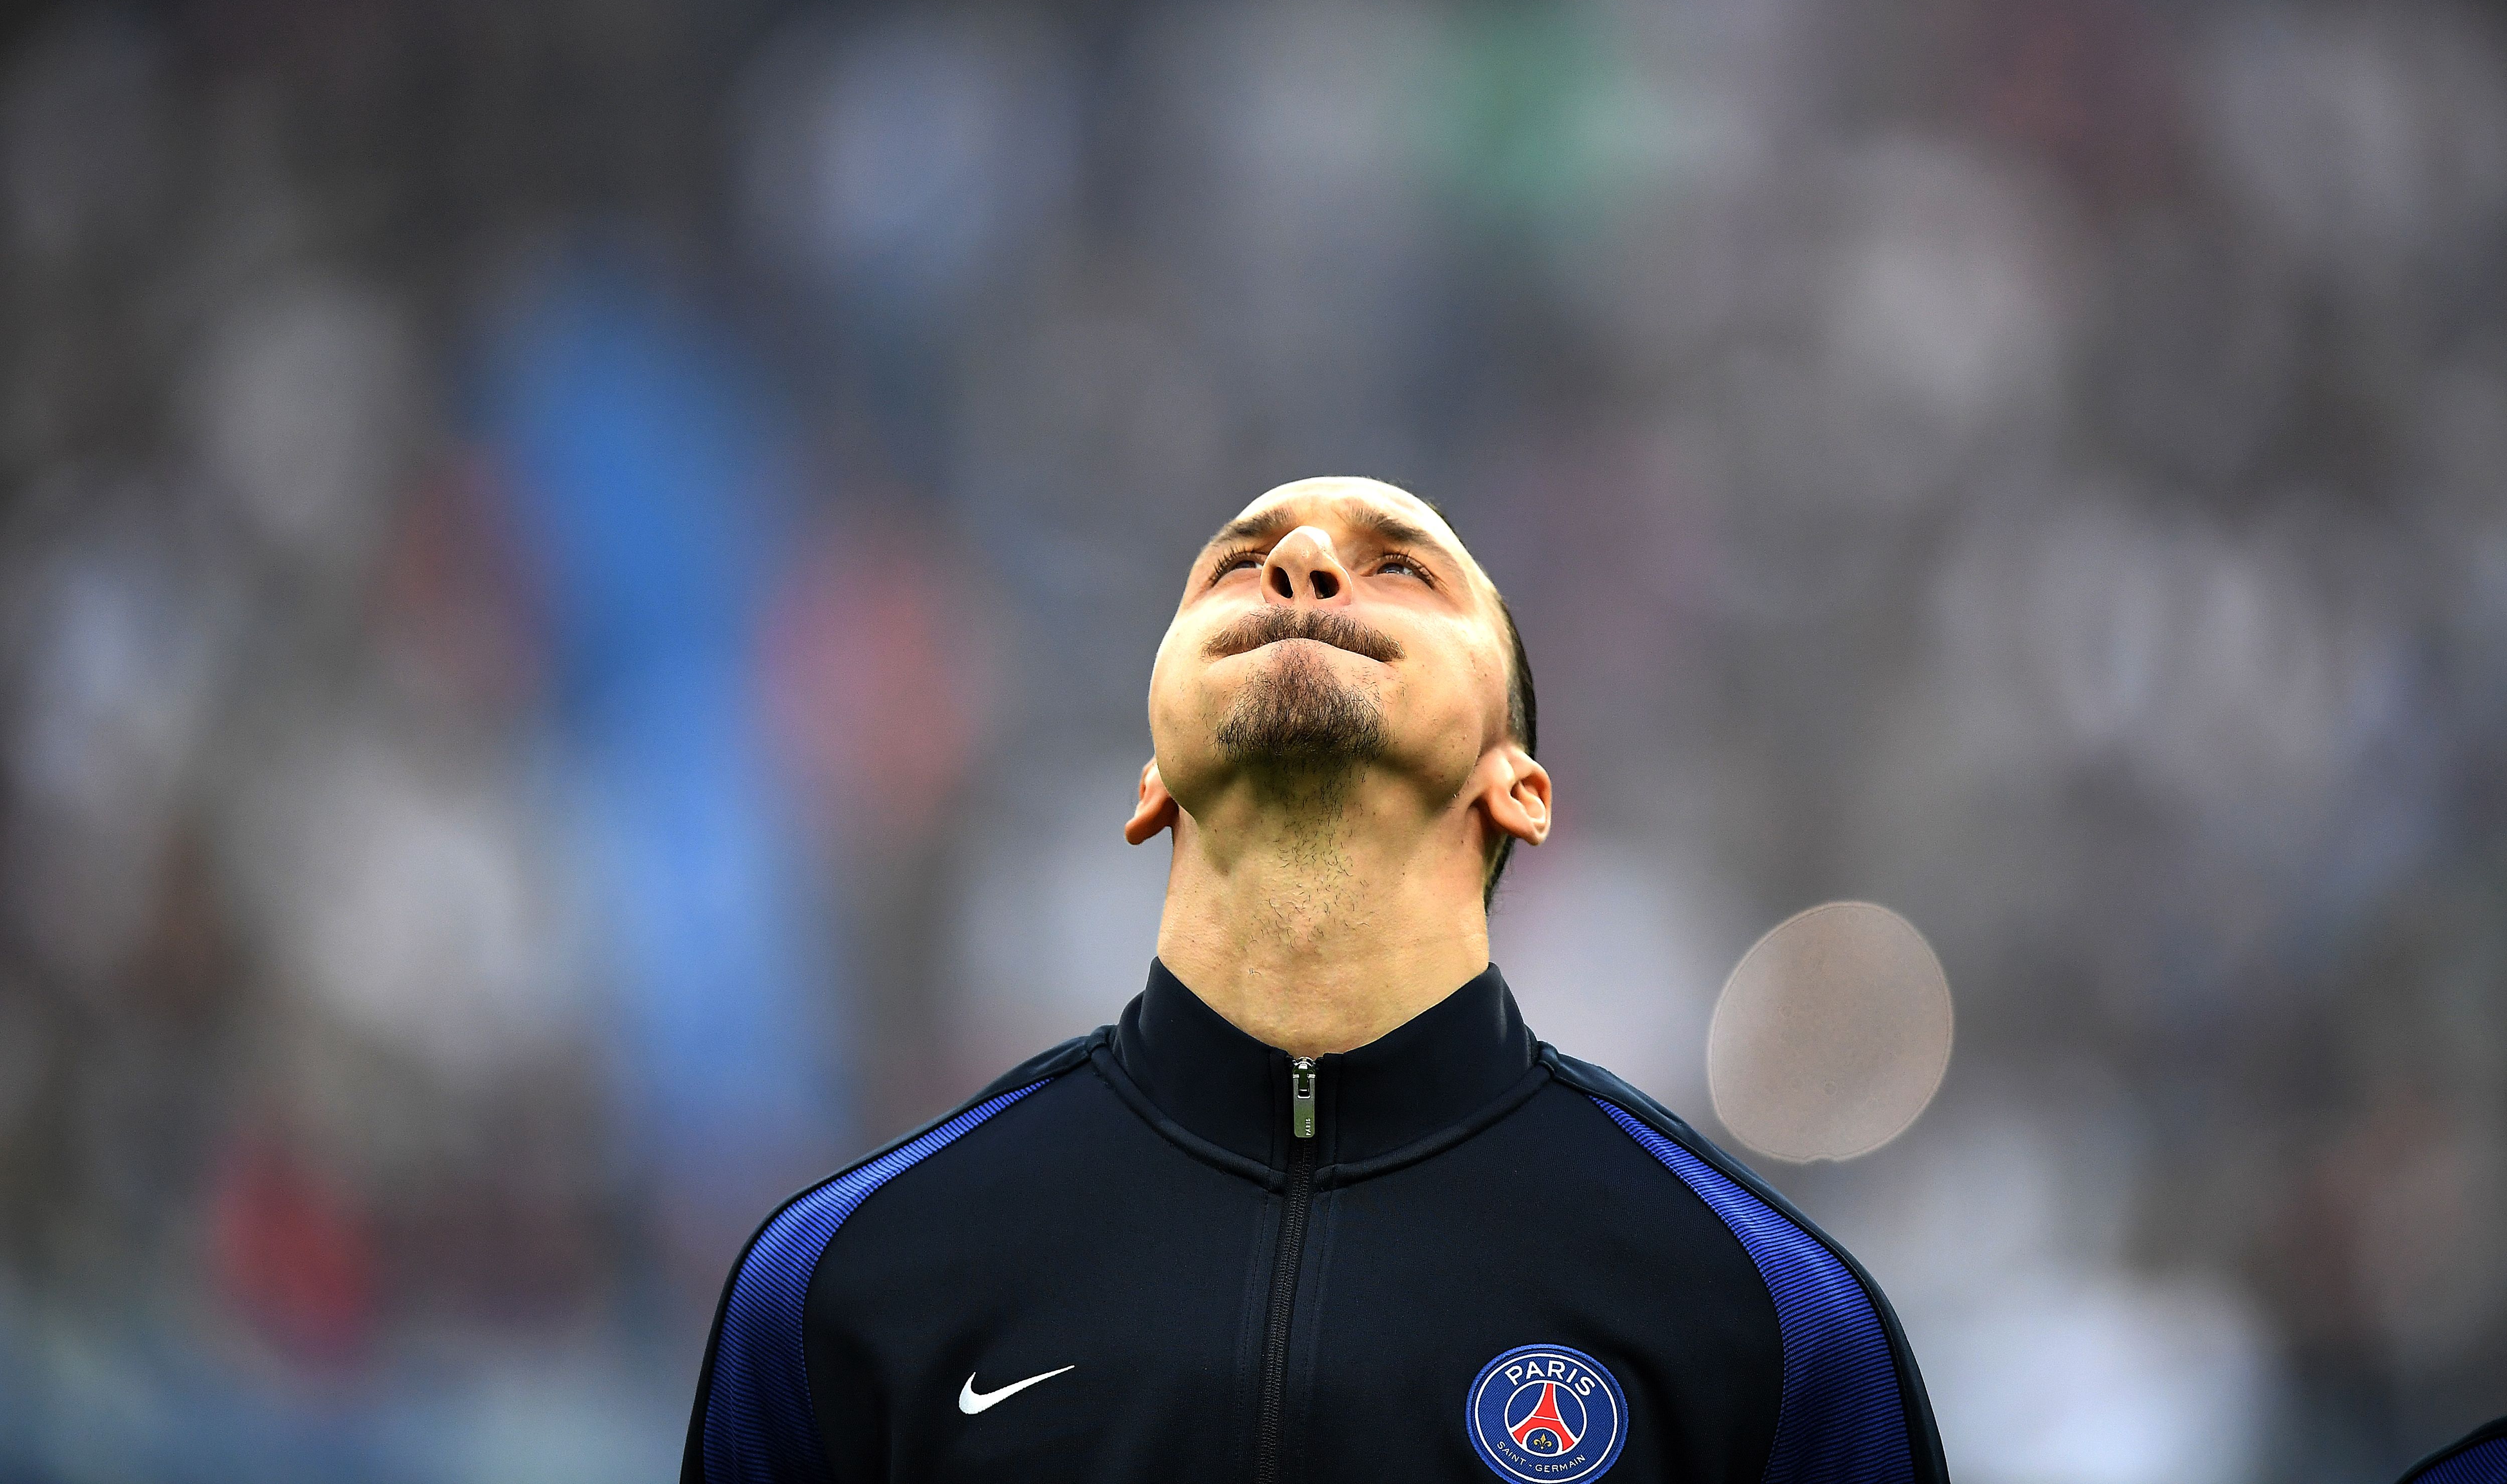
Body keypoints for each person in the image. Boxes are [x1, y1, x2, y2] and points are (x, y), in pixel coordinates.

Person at [681, 476, 1948, 1483]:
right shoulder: (837, 1287)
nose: (1299, 564)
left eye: (1400, 568)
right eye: (1239, 567)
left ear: (1519, 789)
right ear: (1152, 782)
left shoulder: (1774, 1323)